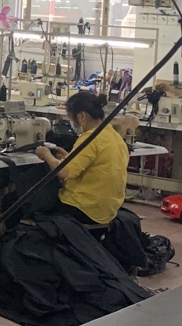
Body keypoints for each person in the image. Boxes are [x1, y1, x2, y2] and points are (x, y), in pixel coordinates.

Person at [32, 90, 128, 225]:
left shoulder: (90, 138)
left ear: (82, 116)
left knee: (25, 201)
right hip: (107, 209)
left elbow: (63, 172)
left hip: (84, 208)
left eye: (71, 118)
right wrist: (68, 156)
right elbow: (96, 165)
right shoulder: (113, 136)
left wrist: (46, 155)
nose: (72, 123)